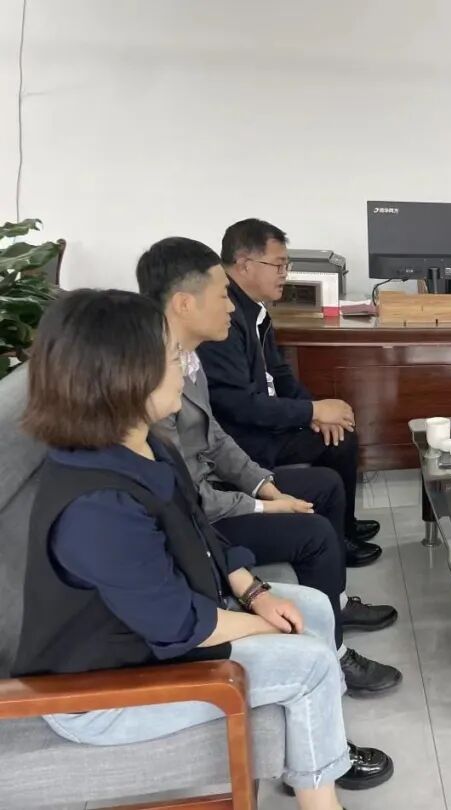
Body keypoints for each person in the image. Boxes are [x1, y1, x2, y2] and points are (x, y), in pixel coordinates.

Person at [14, 289, 393, 807]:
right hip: (107, 689)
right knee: (308, 661)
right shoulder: (97, 507)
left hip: (163, 635)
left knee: (314, 607)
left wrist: (256, 593)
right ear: (124, 374)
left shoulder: (149, 446)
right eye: (172, 357)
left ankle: (312, 759)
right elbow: (180, 625)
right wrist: (267, 627)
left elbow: (202, 533)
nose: (184, 368)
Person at [136, 237, 402, 696]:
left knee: (324, 484)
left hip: (216, 491)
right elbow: (186, 498)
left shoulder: (187, 356)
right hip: (204, 518)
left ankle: (335, 605)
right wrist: (261, 508)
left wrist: (265, 487)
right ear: (184, 303)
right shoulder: (152, 378)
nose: (229, 306)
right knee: (314, 534)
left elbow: (216, 438)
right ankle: (334, 658)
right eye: (221, 295)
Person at [196, 219, 379, 553]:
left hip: (266, 421)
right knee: (339, 442)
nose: (285, 274)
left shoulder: (256, 310)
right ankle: (339, 540)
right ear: (245, 264)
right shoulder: (223, 318)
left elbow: (280, 374)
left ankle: (344, 527)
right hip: (245, 437)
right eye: (279, 265)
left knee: (339, 433)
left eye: (286, 265)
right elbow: (239, 405)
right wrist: (311, 410)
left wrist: (316, 414)